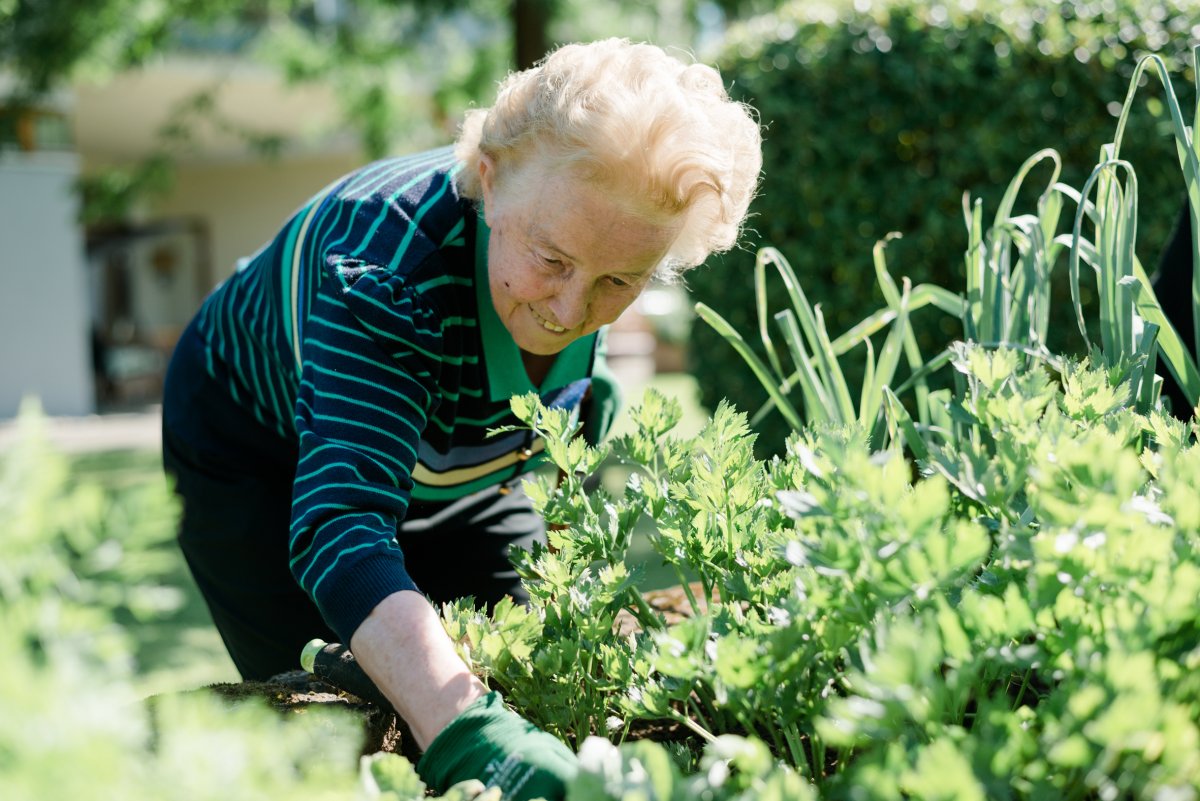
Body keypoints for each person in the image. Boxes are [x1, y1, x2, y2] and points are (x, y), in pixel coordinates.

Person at [162, 38, 761, 800]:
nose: (568, 310)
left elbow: (578, 412)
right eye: (551, 258)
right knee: (347, 713)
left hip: (458, 464)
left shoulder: (588, 231)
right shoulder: (385, 277)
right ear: (490, 178)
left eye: (619, 280)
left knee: (519, 667)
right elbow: (341, 522)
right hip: (255, 450)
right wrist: (466, 730)